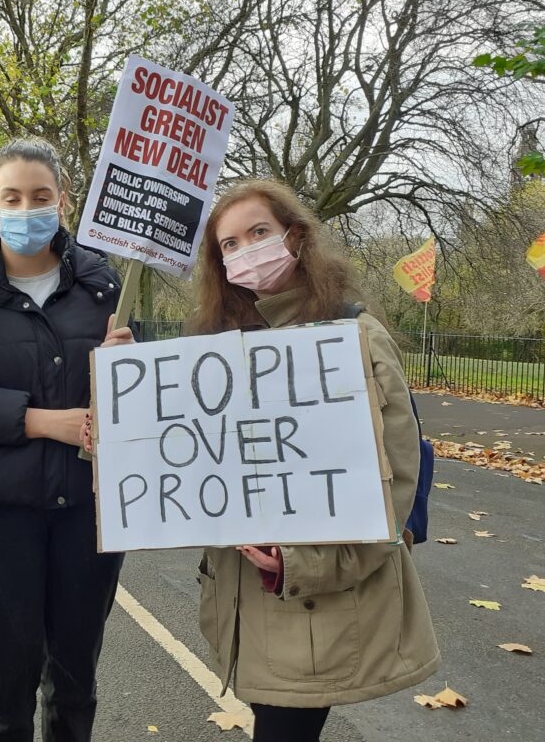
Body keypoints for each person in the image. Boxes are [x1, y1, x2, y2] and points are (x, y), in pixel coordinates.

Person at [183, 180, 440, 741]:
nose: (244, 251)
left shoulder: (356, 338)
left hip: (311, 608)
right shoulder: (215, 348)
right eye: (228, 245)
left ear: (294, 237)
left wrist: (300, 561)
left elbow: (393, 490)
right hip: (241, 609)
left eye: (258, 233)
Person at [0, 138, 134, 742]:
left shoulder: (104, 287)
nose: (26, 208)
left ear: (62, 203)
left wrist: (126, 370)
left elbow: (131, 408)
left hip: (86, 517)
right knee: (5, 690)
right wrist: (42, 420)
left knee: (74, 685)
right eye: (12, 197)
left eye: (40, 197)